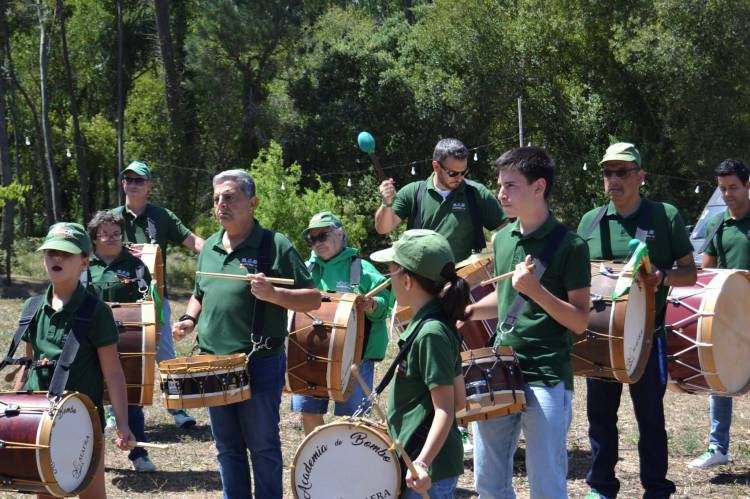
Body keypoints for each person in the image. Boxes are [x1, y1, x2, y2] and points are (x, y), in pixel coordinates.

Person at [172, 169, 320, 498]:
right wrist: (188, 319)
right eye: (216, 199)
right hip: (215, 363)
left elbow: (314, 298)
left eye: (230, 197)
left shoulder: (274, 245)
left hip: (259, 362)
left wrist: (276, 296)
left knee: (263, 446)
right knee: (227, 448)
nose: (221, 204)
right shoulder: (209, 245)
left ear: (252, 203)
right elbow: (200, 291)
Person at [466, 146, 591, 498]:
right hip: (499, 368)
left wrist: (536, 291)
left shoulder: (572, 245)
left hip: (546, 374)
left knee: (546, 482)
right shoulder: (503, 238)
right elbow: (508, 300)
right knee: (487, 480)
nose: (500, 193)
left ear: (539, 187)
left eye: (511, 185)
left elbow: (580, 320)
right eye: (500, 185)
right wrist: (469, 311)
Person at [578, 142, 697, 498]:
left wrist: (661, 275)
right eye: (608, 172)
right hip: (600, 339)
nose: (613, 179)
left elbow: (690, 273)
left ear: (640, 177)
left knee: (650, 418)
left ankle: (657, 488)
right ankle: (601, 486)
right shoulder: (591, 221)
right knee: (600, 418)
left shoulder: (665, 215)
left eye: (622, 172)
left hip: (648, 336)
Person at [14, 222, 135, 498]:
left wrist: (123, 423)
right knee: (45, 492)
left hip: (83, 422)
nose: (57, 258)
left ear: (84, 262)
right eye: (51, 252)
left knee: (90, 493)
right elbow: (28, 363)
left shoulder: (97, 311)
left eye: (66, 254)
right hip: (39, 421)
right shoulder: (32, 307)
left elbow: (113, 372)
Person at [370, 229, 467, 499]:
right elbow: (460, 400)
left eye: (391, 272)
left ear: (408, 280)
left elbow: (447, 409)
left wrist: (423, 463)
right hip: (423, 462)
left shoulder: (430, 333)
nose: (389, 281)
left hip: (425, 469)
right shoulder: (432, 324)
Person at [112, 160, 205, 429]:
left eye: (139, 180)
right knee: (115, 354)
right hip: (116, 301)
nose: (132, 184)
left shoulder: (161, 216)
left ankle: (178, 409)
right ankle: (113, 414)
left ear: (150, 185)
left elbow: (194, 242)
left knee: (164, 352)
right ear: (122, 184)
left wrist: (220, 254)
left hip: (154, 300)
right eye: (128, 179)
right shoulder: (112, 217)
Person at [291, 211, 390, 435]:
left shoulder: (361, 268)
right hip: (310, 352)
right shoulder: (304, 270)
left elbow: (386, 301)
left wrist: (372, 305)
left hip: (354, 355)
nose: (317, 243)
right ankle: (316, 462)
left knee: (350, 418)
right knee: (309, 411)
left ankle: (345, 464)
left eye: (322, 236)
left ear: (340, 233)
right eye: (312, 239)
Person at [688, 159, 750, 469]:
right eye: (722, 188)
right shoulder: (718, 224)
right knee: (720, 378)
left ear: (747, 185)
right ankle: (717, 447)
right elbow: (708, 271)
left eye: (733, 188)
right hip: (729, 315)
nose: (727, 195)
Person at [86, 209, 157, 473]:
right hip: (90, 342)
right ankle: (93, 457)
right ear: (94, 238)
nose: (111, 238)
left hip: (126, 343)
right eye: (105, 234)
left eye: (116, 234)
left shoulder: (136, 266)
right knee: (91, 399)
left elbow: (148, 303)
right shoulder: (83, 265)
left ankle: (138, 453)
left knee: (131, 398)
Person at [376, 138, 506, 263]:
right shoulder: (413, 192)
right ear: (436, 166)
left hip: (465, 280)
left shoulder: (477, 193)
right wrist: (386, 202)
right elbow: (383, 228)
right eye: (453, 173)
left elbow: (506, 230)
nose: (460, 178)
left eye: (463, 172)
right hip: (422, 281)